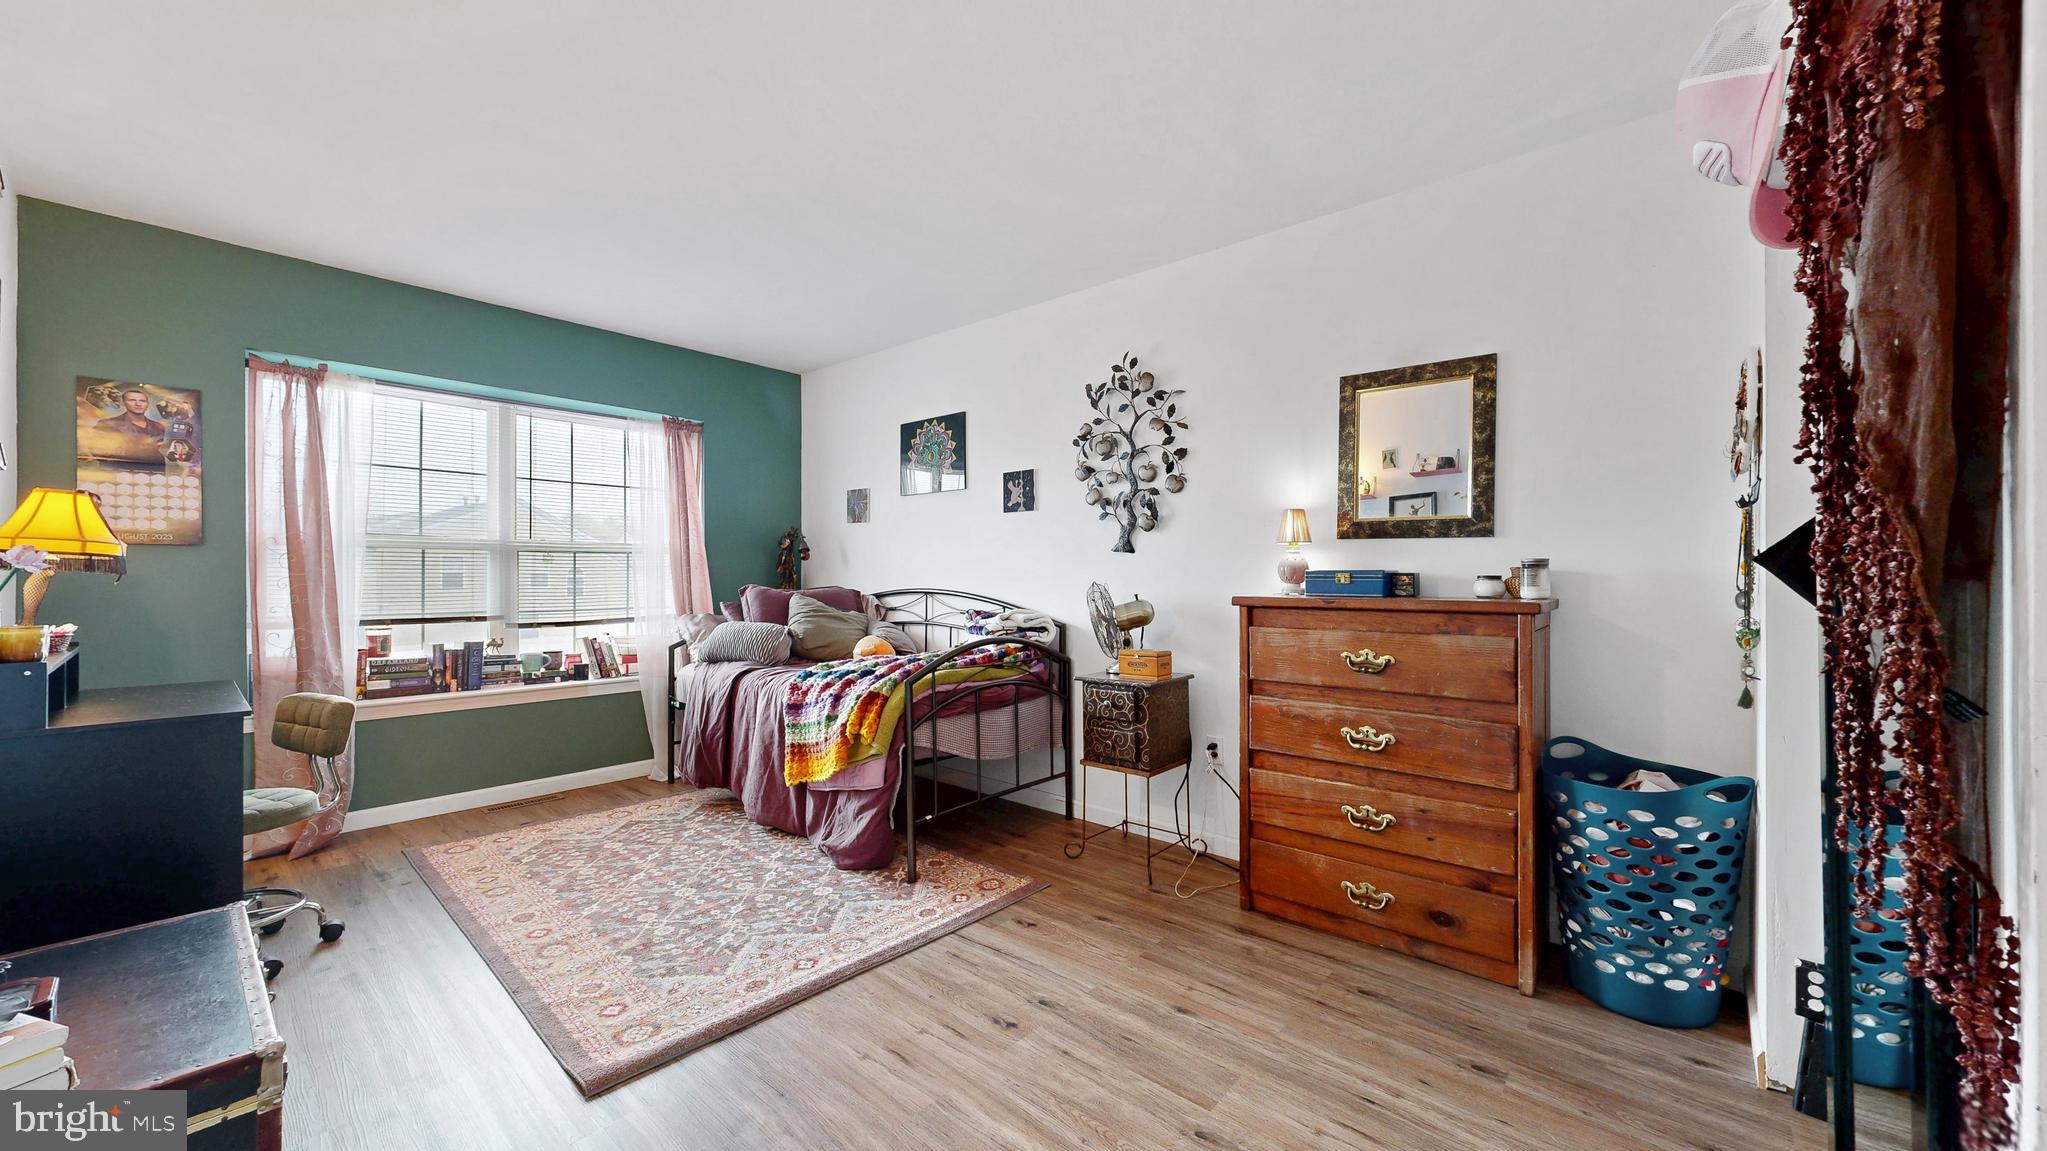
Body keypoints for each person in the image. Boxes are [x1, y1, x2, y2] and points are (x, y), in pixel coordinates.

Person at [87, 388, 166, 462]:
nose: (138, 404)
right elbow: (96, 450)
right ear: (124, 403)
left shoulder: (158, 426)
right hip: (118, 469)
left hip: (155, 469)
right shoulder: (107, 424)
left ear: (147, 404)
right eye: (132, 400)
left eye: (142, 401)